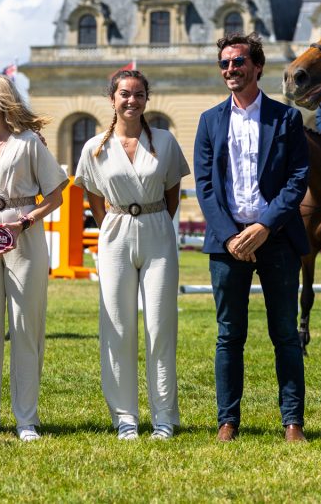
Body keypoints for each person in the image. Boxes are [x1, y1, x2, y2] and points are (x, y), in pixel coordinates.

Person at [194, 31, 310, 443]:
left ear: (257, 66)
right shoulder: (209, 121)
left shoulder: (287, 118)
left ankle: (292, 422)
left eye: (238, 62)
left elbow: (298, 180)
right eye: (224, 63)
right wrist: (229, 237)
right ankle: (228, 421)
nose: (230, 69)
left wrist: (264, 226)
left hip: (276, 238)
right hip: (227, 246)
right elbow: (206, 187)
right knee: (229, 335)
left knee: (284, 332)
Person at [74, 69, 189, 441]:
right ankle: (125, 417)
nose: (132, 101)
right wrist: (116, 225)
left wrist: (153, 222)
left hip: (157, 230)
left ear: (146, 100)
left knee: (160, 326)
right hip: (115, 233)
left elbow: (173, 194)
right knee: (117, 327)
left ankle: (163, 418)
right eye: (125, 94)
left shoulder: (166, 143)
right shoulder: (94, 148)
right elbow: (92, 196)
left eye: (139, 95)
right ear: (112, 99)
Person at [0, 74, 68, 442]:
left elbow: (56, 194)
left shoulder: (28, 144)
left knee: (26, 328)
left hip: (25, 239)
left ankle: (26, 420)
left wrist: (25, 222)